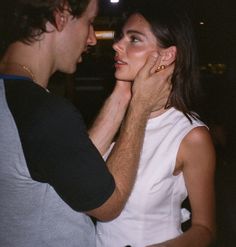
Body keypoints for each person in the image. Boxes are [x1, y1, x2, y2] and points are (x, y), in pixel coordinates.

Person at [0, 0, 172, 246]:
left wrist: (122, 95)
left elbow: (70, 164)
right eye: (89, 22)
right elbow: (109, 205)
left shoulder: (17, 98)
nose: (92, 39)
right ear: (61, 15)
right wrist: (140, 108)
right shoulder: (45, 112)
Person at [96, 0, 216, 246]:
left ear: (167, 55)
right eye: (121, 37)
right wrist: (122, 94)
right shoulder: (115, 117)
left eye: (134, 39)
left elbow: (205, 228)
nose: (117, 45)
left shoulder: (190, 135)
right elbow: (78, 179)